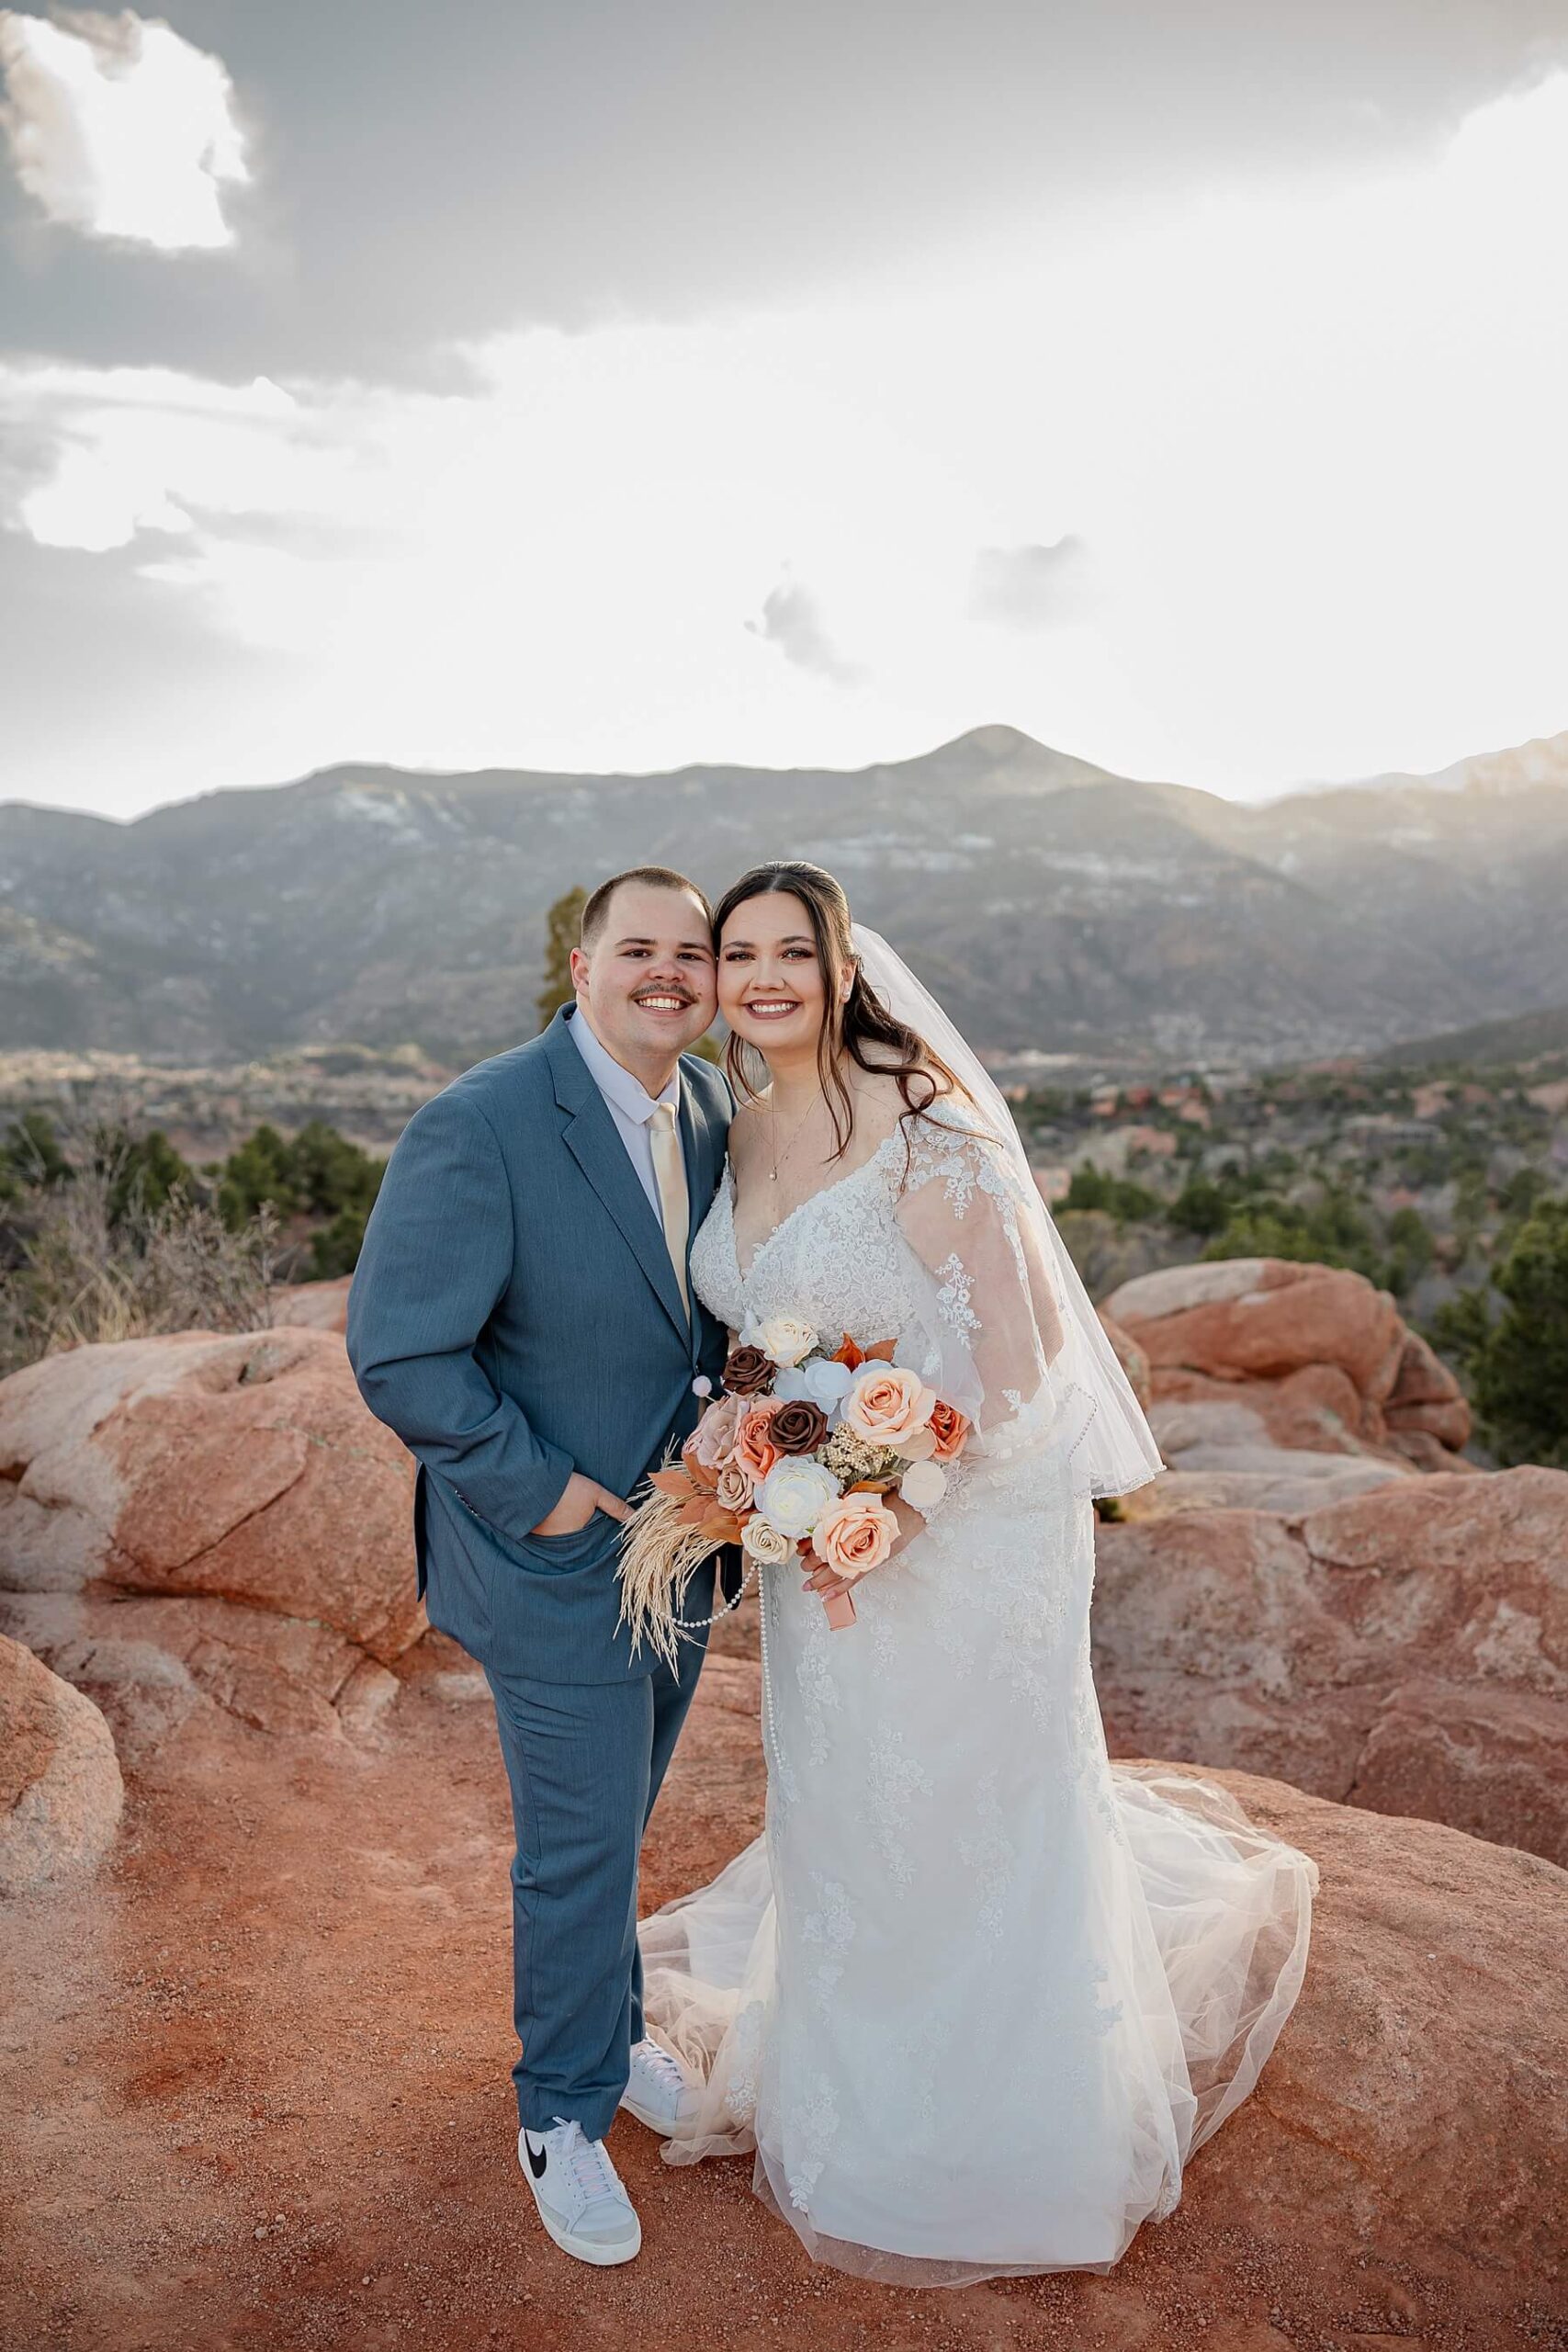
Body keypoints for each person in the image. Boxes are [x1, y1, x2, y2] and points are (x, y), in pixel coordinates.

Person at [637, 862, 1319, 2287]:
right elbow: (773, 1332)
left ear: (841, 966)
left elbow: (1019, 1364)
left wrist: (884, 1506)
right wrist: (760, 1446)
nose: (764, 979)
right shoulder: (742, 1127)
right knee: (852, 1807)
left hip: (966, 1525)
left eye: (792, 953)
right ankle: (851, 2109)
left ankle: (1009, 2141)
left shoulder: (929, 1127)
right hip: (824, 1534)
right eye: (739, 955)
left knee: (970, 1804)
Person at [346, 866, 737, 2268]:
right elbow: (401, 1353)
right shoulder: (482, 1124)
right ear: (582, 966)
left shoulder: (707, 1107)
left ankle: (612, 2034)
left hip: (686, 1551)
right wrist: (549, 1497)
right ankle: (559, 2116)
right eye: (640, 948)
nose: (669, 973)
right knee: (579, 1847)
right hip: (556, 1557)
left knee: (619, 1825)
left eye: (691, 952)